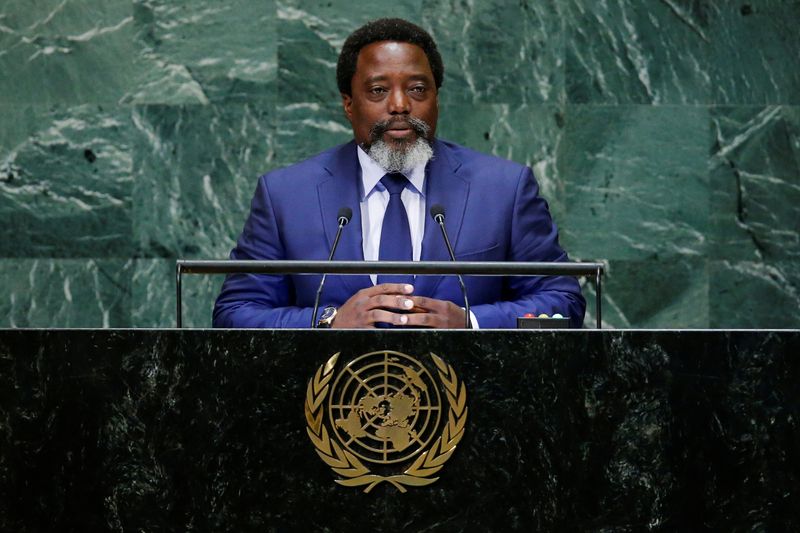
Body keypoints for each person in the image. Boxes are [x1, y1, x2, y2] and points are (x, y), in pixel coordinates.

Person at [213, 18, 585, 329]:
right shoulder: (286, 195)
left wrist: (470, 322)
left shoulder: (504, 189)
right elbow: (234, 314)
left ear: (436, 99)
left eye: (418, 89)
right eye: (378, 90)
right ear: (348, 104)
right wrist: (328, 321)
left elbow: (563, 301)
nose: (400, 105)